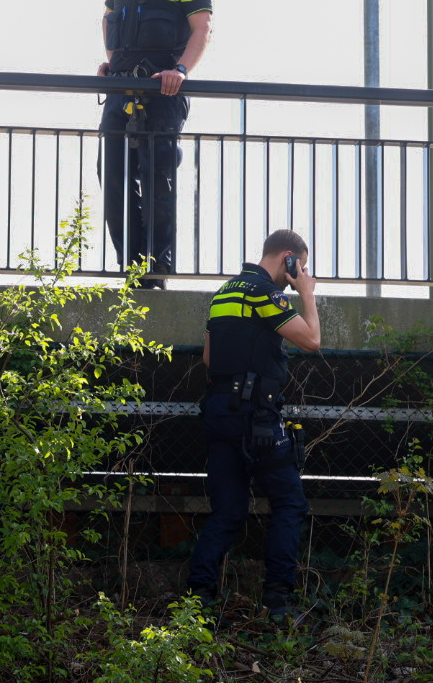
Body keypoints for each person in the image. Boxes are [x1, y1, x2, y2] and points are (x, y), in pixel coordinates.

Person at [186, 229, 322, 619]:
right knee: (289, 503)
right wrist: (307, 295)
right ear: (288, 259)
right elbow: (311, 340)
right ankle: (278, 604)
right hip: (255, 419)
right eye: (301, 266)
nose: (301, 273)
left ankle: (198, 604)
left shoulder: (225, 293)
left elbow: (210, 360)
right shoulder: (264, 294)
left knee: (228, 511)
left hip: (219, 413)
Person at [98, 0, 213, 287]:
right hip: (121, 89)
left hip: (164, 92)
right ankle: (129, 265)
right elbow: (108, 18)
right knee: (112, 174)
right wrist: (112, 64)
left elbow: (202, 28)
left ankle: (156, 267)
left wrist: (179, 71)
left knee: (157, 176)